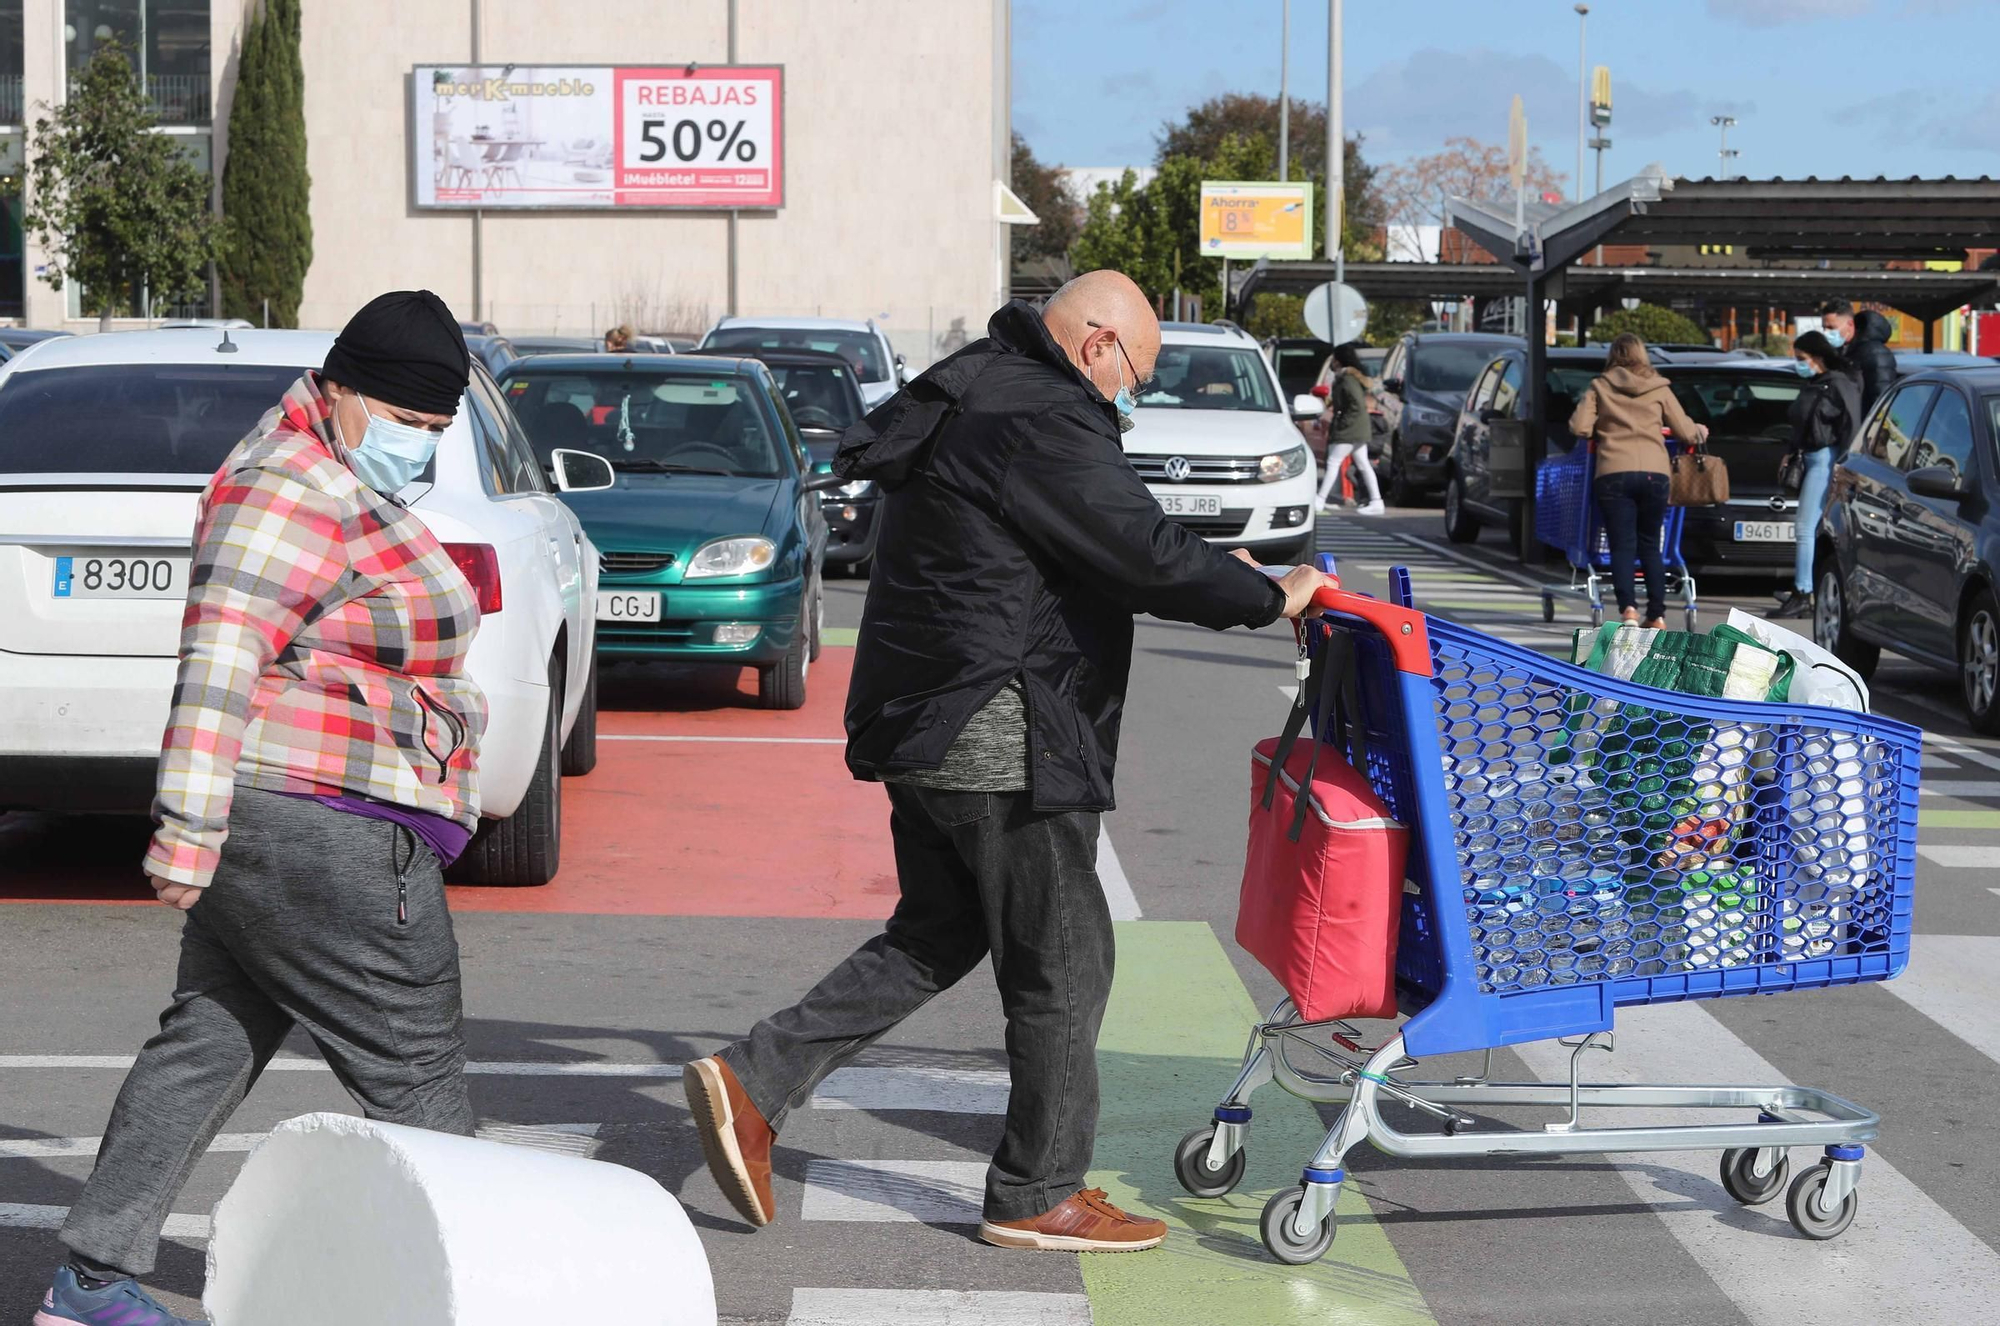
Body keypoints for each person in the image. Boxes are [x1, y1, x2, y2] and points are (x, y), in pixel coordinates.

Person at [682, 270, 1332, 1254]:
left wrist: (1212, 566)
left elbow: (1098, 533)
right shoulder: (1043, 414)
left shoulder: (980, 384)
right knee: (1065, 957)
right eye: (1134, 378)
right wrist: (1267, 597)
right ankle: (1039, 1191)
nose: (1130, 399)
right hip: (1003, 722)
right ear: (1094, 344)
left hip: (926, 711)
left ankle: (754, 1082)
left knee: (934, 935)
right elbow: (1137, 548)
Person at [37, 292, 486, 1326]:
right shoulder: (290, 488)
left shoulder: (326, 473)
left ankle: (90, 1283)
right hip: (314, 815)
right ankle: (473, 1283)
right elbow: (219, 659)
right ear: (338, 391)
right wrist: (186, 831)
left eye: (436, 431)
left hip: (292, 810)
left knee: (210, 1042)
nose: (421, 448)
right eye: (410, 424)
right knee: (416, 1072)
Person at [1567, 332, 1708, 629]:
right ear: (1642, 355)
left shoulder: (1600, 386)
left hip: (1613, 472)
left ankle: (1628, 610)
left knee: (1622, 545)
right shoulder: (1660, 387)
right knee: (1650, 544)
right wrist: (1699, 430)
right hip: (1655, 474)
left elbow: (1579, 427)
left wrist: (1602, 427)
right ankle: (1656, 614)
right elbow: (1684, 430)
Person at [1771, 330, 1861, 620]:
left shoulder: (1837, 385)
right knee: (1810, 527)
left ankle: (1803, 591)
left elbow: (1851, 426)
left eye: (1801, 358)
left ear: (1818, 358)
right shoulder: (1817, 383)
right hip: (1810, 457)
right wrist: (1791, 450)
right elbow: (1802, 423)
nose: (1797, 363)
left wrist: (1844, 465)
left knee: (1804, 527)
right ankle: (1805, 588)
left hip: (1825, 460)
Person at [1314, 341, 1385, 516]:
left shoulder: (1348, 380)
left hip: (1349, 429)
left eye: (1334, 359)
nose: (1332, 362)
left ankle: (1320, 500)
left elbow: (1355, 405)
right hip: (1357, 428)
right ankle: (1377, 501)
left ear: (1339, 361)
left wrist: (1343, 423)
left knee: (1333, 463)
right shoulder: (1347, 378)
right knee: (1363, 464)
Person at [1818, 299, 1897, 415]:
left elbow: (1881, 400)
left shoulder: (1874, 353)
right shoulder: (1839, 352)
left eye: (1831, 328)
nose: (1826, 333)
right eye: (1824, 328)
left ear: (1850, 324)